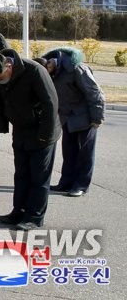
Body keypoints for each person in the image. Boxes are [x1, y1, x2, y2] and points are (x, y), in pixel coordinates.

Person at [0, 49, 60, 230]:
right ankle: (19, 211)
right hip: (21, 128)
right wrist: (3, 124)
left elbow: (51, 102)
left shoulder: (34, 71)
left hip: (42, 129)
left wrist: (45, 135)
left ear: (9, 66)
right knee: (21, 173)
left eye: (0, 78)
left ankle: (34, 217)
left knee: (38, 177)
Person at [37, 47, 104, 198]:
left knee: (85, 153)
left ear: (51, 64)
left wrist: (97, 118)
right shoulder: (51, 71)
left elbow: (94, 92)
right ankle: (66, 182)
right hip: (67, 118)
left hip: (86, 117)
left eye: (46, 70)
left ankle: (81, 185)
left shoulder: (77, 68)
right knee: (69, 152)